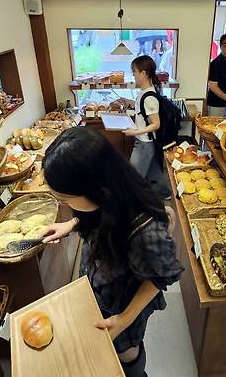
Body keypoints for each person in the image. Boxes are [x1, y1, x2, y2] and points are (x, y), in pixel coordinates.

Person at [41, 127, 184, 377]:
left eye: (64, 199)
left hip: (124, 301)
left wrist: (125, 319)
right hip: (101, 286)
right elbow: (96, 214)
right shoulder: (110, 195)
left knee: (124, 350)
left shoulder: (144, 230)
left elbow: (160, 277)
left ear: (96, 190)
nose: (63, 204)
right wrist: (71, 224)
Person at [122, 55, 171, 199]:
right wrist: (129, 102)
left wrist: (135, 131)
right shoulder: (145, 92)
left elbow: (156, 124)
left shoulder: (149, 96)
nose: (133, 75)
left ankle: (134, 203)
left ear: (143, 73)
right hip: (146, 141)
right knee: (154, 171)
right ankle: (165, 193)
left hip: (145, 142)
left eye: (134, 72)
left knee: (134, 175)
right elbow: (143, 110)